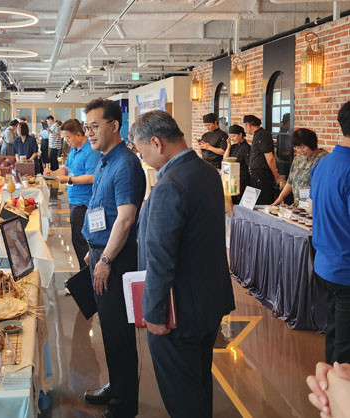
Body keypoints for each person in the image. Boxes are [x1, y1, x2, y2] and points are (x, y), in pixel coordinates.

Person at [133, 110, 235, 418]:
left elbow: (161, 257)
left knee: (182, 396)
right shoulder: (206, 172)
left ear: (157, 143)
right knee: (199, 382)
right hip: (207, 301)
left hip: (178, 310)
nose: (143, 159)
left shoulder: (170, 185)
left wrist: (153, 312)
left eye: (142, 152)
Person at [81, 98, 145, 418]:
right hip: (102, 252)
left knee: (119, 334)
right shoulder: (105, 159)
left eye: (95, 126)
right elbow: (100, 208)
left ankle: (123, 406)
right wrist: (92, 249)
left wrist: (105, 260)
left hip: (116, 260)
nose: (89, 133)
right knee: (109, 330)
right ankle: (116, 387)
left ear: (114, 125)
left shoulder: (126, 164)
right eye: (86, 128)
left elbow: (125, 219)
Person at [310, 100, 350, 365]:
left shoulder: (324, 163)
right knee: (345, 350)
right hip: (345, 270)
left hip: (324, 265)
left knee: (335, 336)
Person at [44, 119, 101, 270]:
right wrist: (52, 173)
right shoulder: (74, 150)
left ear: (78, 134)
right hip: (74, 200)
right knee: (77, 240)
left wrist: (69, 180)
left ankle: (87, 274)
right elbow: (66, 169)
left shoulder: (91, 151)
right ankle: (85, 273)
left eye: (68, 137)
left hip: (84, 202)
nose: (66, 141)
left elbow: (92, 177)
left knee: (81, 241)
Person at [272, 128, 328, 207]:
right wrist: (280, 197)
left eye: (303, 147)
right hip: (298, 206)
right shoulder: (298, 159)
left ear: (312, 144)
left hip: (315, 206)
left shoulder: (324, 159)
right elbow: (290, 182)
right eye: (297, 148)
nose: (300, 151)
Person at [243, 114, 281, 205]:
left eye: (245, 125)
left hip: (262, 175)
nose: (245, 128)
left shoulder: (262, 135)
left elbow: (270, 158)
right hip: (256, 174)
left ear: (248, 124)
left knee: (262, 201)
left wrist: (275, 175)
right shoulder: (257, 134)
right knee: (256, 202)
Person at [223, 124, 251, 204]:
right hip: (232, 177)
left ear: (240, 135)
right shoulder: (233, 146)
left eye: (234, 136)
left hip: (242, 178)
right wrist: (228, 147)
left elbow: (249, 165)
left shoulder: (247, 147)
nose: (232, 139)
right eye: (230, 137)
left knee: (239, 201)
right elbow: (225, 160)